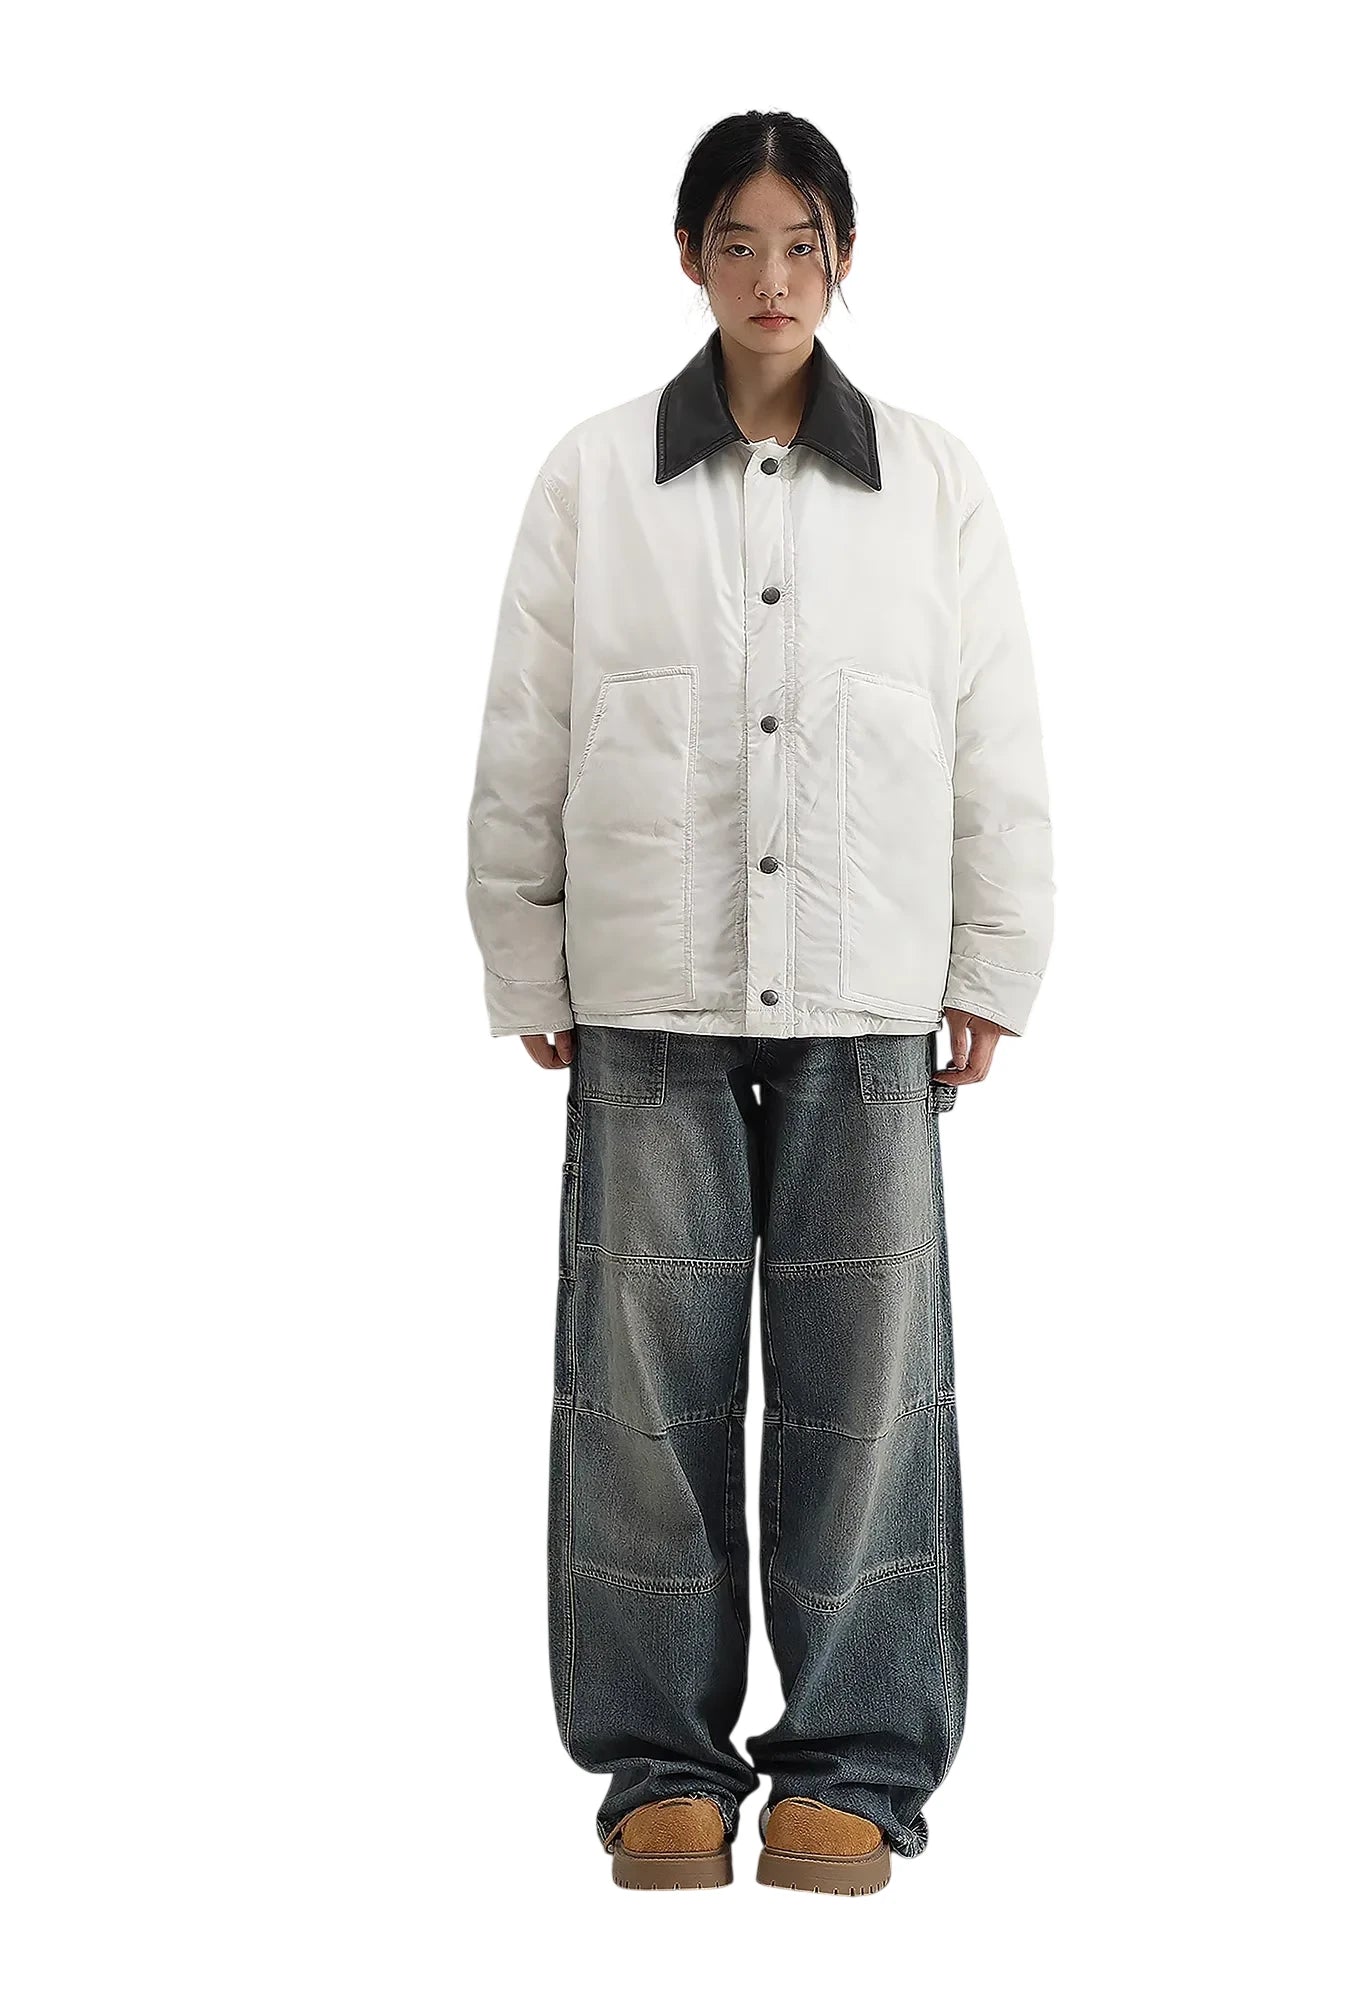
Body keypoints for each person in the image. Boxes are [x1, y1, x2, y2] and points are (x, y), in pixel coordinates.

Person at [466, 109, 1053, 1895]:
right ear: (690, 257)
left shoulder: (935, 481)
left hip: (867, 990)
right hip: (647, 986)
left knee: (868, 1392)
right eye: (739, 242)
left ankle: (853, 1768)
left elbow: (989, 728)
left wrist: (993, 957)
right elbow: (527, 727)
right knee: (639, 1393)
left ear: (844, 259)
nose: (772, 277)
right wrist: (524, 948)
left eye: (803, 245)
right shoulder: (595, 476)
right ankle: (659, 1764)